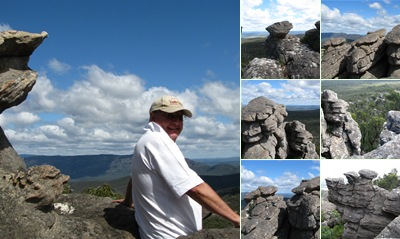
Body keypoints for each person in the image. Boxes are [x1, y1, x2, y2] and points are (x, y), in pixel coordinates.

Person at [114, 95, 240, 239]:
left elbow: (135, 175)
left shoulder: (146, 140)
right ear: (152, 116)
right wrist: (236, 219)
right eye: (169, 116)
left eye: (180, 117)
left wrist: (127, 201)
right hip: (172, 235)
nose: (176, 122)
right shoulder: (157, 140)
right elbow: (195, 188)